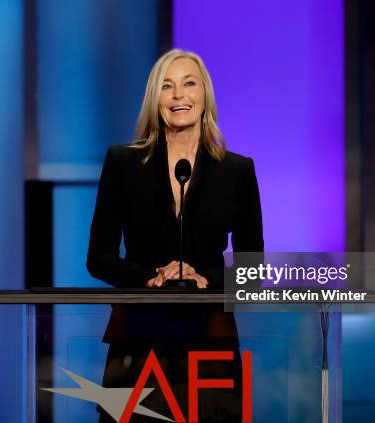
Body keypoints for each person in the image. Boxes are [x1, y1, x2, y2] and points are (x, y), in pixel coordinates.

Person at [87, 49, 263, 422]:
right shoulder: (122, 164)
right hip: (139, 338)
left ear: (205, 95)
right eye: (167, 86)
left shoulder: (237, 171)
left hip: (209, 338)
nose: (178, 95)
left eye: (188, 84)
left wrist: (204, 278)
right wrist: (152, 277)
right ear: (156, 99)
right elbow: (98, 256)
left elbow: (254, 267)